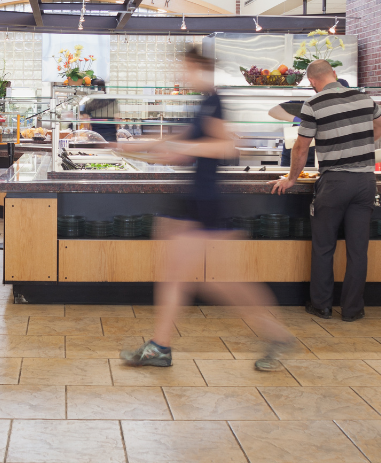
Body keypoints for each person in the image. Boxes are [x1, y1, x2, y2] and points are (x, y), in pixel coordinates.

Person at [119, 45, 292, 371]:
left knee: (222, 282)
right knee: (179, 276)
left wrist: (177, 147)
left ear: (199, 68)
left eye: (183, 68)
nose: (179, 74)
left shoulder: (215, 101)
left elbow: (225, 146)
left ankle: (277, 335)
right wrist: (126, 145)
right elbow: (179, 146)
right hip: (192, 202)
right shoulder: (202, 104)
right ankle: (160, 346)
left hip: (207, 204)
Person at [270, 61, 381, 322]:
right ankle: (353, 310)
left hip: (335, 182)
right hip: (366, 182)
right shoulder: (365, 98)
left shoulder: (314, 104)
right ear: (334, 74)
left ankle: (321, 305)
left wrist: (291, 178)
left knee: (324, 246)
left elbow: (301, 147)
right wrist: (361, 142)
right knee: (358, 250)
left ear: (311, 81)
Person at [269, 79, 350, 167]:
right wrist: (298, 120)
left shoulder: (345, 112)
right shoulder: (307, 104)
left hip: (318, 159)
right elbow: (274, 111)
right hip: (293, 157)